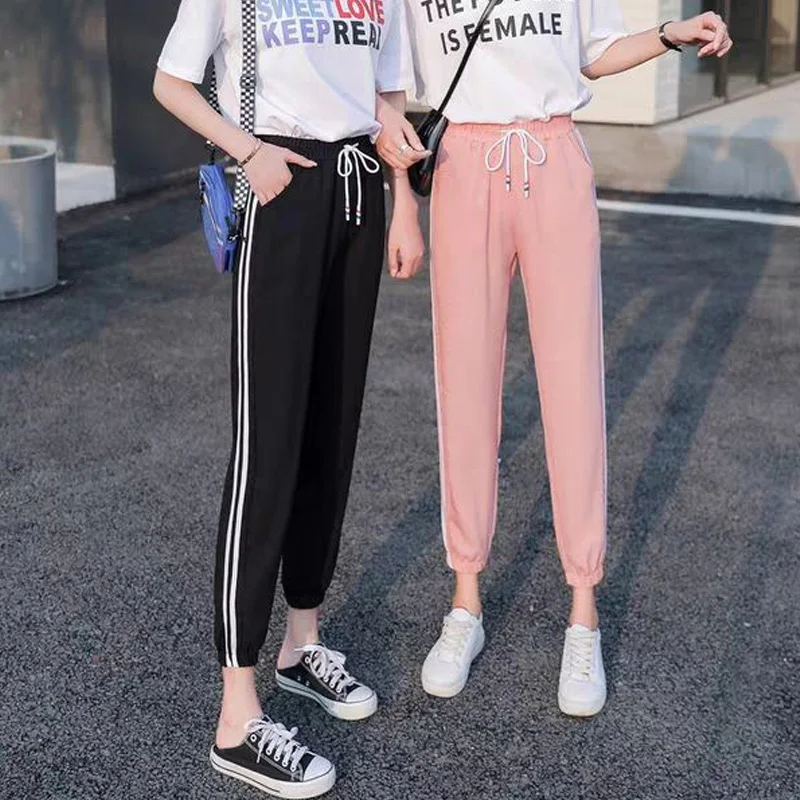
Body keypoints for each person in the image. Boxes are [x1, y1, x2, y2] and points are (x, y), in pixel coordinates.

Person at [377, 4, 732, 716]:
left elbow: (594, 53)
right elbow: (389, 87)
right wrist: (404, 207)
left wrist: (670, 34)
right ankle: (466, 601)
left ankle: (583, 612)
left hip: (555, 159)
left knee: (574, 391)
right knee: (465, 387)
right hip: (463, 166)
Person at [153, 0, 422, 796]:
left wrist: (404, 199)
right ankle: (237, 716)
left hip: (359, 194)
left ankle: (302, 645)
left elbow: (386, 95)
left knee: (330, 436)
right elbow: (171, 82)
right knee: (267, 452)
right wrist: (246, 151)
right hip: (279, 190)